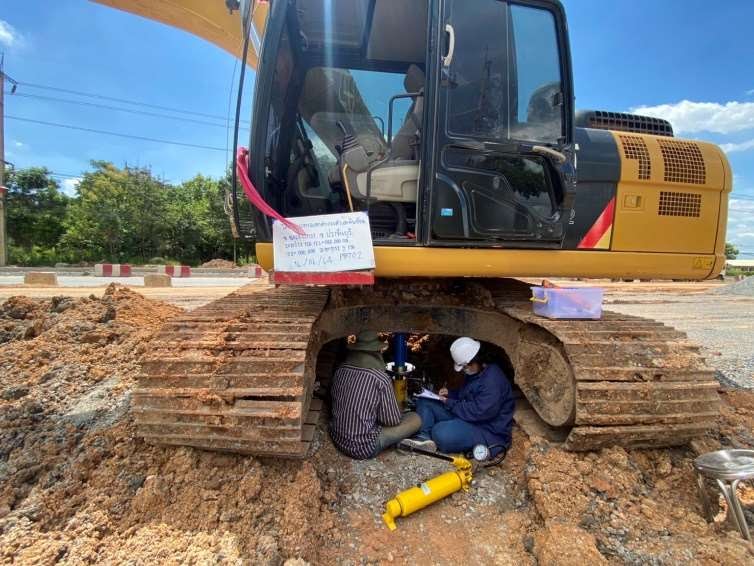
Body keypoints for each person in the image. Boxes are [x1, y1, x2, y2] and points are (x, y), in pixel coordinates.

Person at [404, 337, 514, 457]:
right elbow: (468, 395)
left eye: (465, 367)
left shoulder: (493, 381)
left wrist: (450, 403)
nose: (464, 370)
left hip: (486, 430)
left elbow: (479, 412)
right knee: (425, 401)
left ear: (475, 360)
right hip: (467, 417)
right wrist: (451, 394)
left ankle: (435, 432)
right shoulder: (476, 371)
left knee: (440, 432)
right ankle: (424, 439)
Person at [329, 331, 421, 459]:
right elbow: (392, 421)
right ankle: (401, 442)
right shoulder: (380, 379)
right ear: (376, 352)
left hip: (337, 438)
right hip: (362, 447)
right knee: (415, 418)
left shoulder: (340, 370)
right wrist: (398, 408)